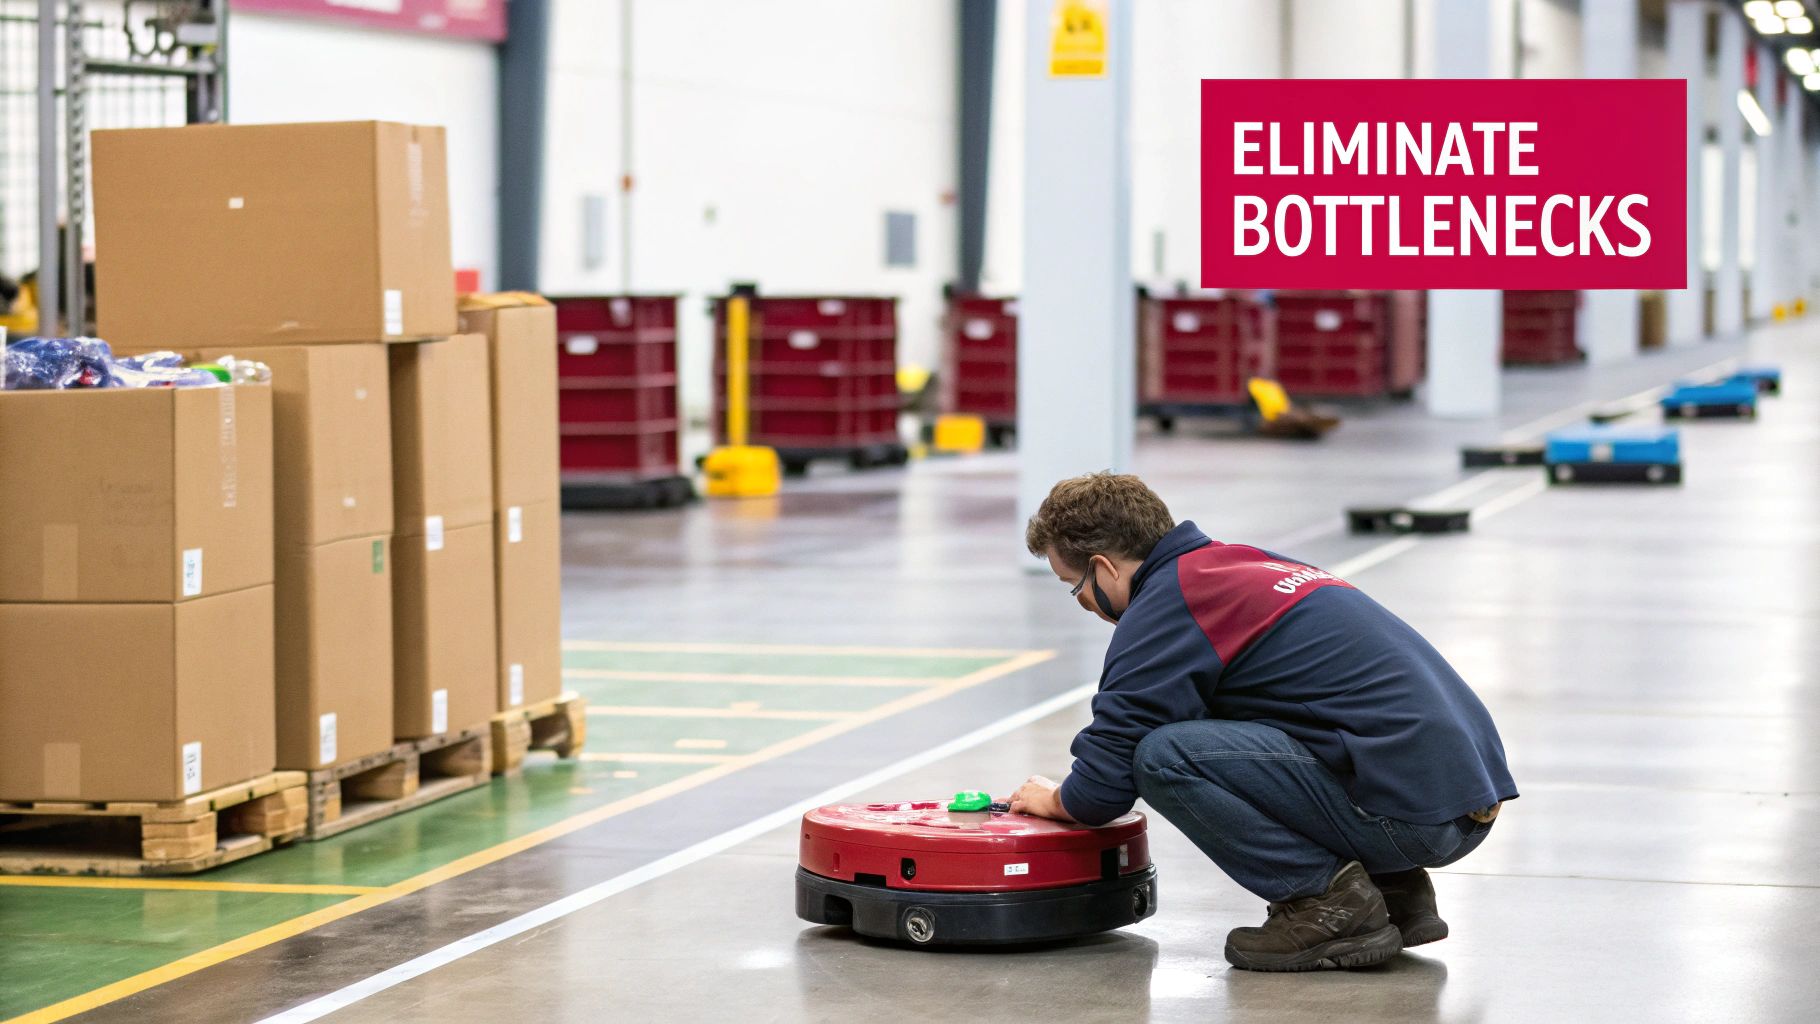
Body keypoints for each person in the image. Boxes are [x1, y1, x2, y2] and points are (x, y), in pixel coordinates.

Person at [1008, 472, 1516, 972]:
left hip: (1414, 821)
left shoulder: (1168, 604)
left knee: (1163, 756)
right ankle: (1395, 891)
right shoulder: (1242, 564)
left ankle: (1326, 903)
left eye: (1075, 586)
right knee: (1230, 712)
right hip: (1462, 800)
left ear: (1104, 567)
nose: (1082, 602)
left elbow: (1103, 788)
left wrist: (1056, 800)